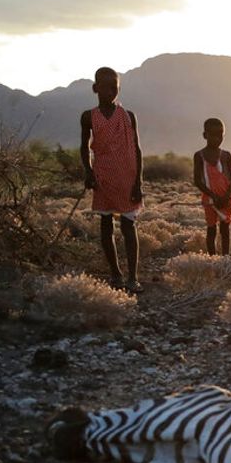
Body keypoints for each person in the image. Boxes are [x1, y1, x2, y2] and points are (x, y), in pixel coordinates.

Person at [80, 66, 144, 293]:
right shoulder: (89, 117)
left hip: (127, 176)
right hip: (103, 176)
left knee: (129, 225)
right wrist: (88, 172)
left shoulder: (128, 116)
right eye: (105, 88)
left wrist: (139, 182)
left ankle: (133, 277)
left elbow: (136, 149)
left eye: (114, 88)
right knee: (106, 224)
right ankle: (115, 274)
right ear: (95, 88)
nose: (110, 92)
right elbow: (84, 147)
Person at [193, 118, 231, 255]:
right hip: (209, 200)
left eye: (220, 134)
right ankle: (212, 259)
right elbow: (198, 181)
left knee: (225, 230)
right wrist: (213, 196)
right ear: (205, 135)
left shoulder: (226, 155)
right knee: (211, 229)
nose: (217, 138)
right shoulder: (199, 156)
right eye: (213, 134)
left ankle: (225, 258)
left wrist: (225, 197)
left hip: (226, 200)